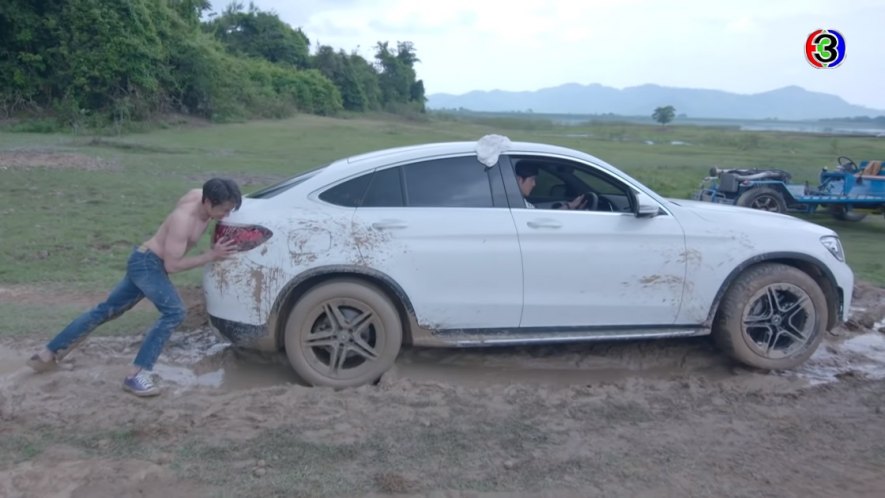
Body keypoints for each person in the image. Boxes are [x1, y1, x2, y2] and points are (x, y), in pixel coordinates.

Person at [26, 178, 242, 397]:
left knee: (105, 310)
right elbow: (172, 265)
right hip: (148, 264)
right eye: (223, 210)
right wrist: (211, 256)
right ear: (207, 201)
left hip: (144, 260)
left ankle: (46, 355)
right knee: (175, 312)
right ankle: (136, 375)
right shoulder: (182, 220)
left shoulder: (199, 195)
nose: (226, 215)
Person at [515, 163, 587, 209]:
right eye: (532, 180)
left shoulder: (518, 202)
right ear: (520, 180)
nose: (534, 184)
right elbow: (541, 221)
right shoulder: (517, 205)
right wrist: (569, 206)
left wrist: (570, 206)